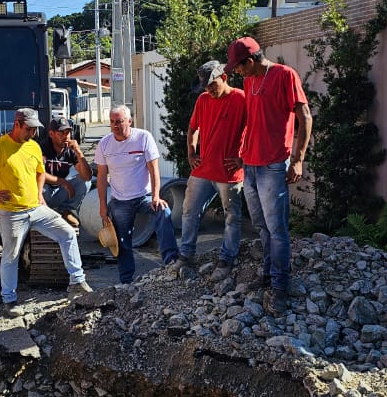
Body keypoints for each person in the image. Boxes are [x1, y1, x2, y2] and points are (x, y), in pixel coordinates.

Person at [0, 107, 92, 315]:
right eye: (29, 129)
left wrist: (39, 195)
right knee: (11, 255)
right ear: (17, 124)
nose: (33, 133)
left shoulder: (33, 147)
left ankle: (77, 282)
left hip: (35, 208)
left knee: (68, 233)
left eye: (35, 130)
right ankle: (9, 300)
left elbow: (40, 173)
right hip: (11, 212)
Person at [227, 36, 312, 315]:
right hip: (250, 165)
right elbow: (252, 120)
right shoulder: (250, 81)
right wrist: (242, 151)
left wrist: (297, 160)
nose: (236, 73)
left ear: (249, 61)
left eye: (238, 68)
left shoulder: (284, 76)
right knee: (261, 225)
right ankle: (267, 274)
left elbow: (305, 117)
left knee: (277, 229)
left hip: (273, 164)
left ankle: (280, 286)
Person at [95, 104, 178, 285]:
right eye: (112, 122)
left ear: (129, 121)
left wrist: (156, 196)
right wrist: (102, 204)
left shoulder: (143, 137)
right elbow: (101, 176)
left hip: (144, 196)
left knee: (164, 212)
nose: (115, 125)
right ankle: (127, 281)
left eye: (119, 121)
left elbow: (153, 169)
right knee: (122, 241)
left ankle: (171, 262)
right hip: (120, 200)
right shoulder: (105, 144)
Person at [177, 59, 247, 274]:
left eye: (212, 85)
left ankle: (227, 257)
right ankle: (186, 254)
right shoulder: (203, 100)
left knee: (232, 216)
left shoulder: (241, 99)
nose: (209, 90)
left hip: (229, 172)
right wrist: (191, 152)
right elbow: (193, 128)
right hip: (203, 169)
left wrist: (243, 158)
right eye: (205, 87)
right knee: (189, 211)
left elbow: (257, 129)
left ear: (224, 77)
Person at [39, 114, 92, 227]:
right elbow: (39, 174)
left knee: (85, 182)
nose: (65, 136)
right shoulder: (42, 148)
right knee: (40, 187)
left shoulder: (70, 150)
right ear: (51, 134)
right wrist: (63, 182)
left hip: (60, 191)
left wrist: (78, 152)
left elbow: (87, 176)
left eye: (67, 132)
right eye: (61, 133)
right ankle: (46, 216)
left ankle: (65, 211)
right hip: (44, 192)